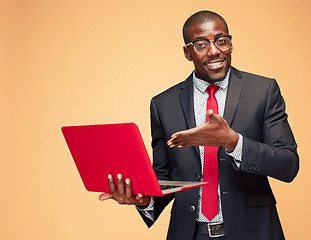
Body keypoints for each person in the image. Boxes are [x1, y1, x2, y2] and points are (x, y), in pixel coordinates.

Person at [99, 10, 299, 240]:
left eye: (221, 41)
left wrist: (234, 142)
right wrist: (146, 200)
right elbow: (164, 176)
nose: (214, 51)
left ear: (231, 45)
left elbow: (288, 164)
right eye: (201, 44)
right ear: (187, 52)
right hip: (190, 234)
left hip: (253, 231)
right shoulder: (163, 104)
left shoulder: (263, 91)